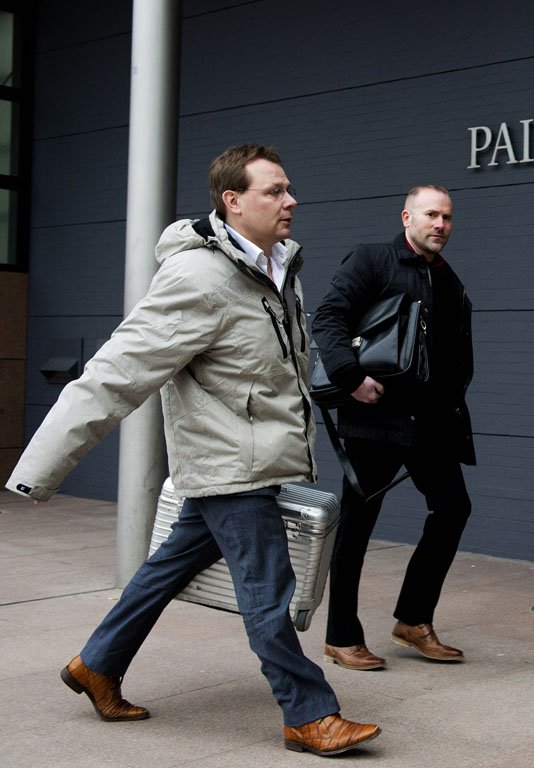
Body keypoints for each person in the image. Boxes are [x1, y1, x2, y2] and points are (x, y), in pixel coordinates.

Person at [5, 144, 380, 757]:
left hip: (249, 458)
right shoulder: (198, 278)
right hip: (229, 466)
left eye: (289, 189)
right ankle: (310, 714)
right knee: (269, 592)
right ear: (233, 202)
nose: (291, 201)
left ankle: (95, 665)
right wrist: (39, 469)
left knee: (162, 573)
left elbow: (272, 369)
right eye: (275, 191)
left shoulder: (276, 269)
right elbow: (116, 372)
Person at [312, 184, 475, 671]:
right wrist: (350, 378)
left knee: (453, 509)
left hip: (432, 424)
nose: (440, 225)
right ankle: (341, 636)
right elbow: (328, 318)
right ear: (407, 217)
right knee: (358, 527)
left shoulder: (449, 280)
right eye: (431, 214)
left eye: (446, 217)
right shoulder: (373, 259)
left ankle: (412, 619)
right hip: (375, 419)